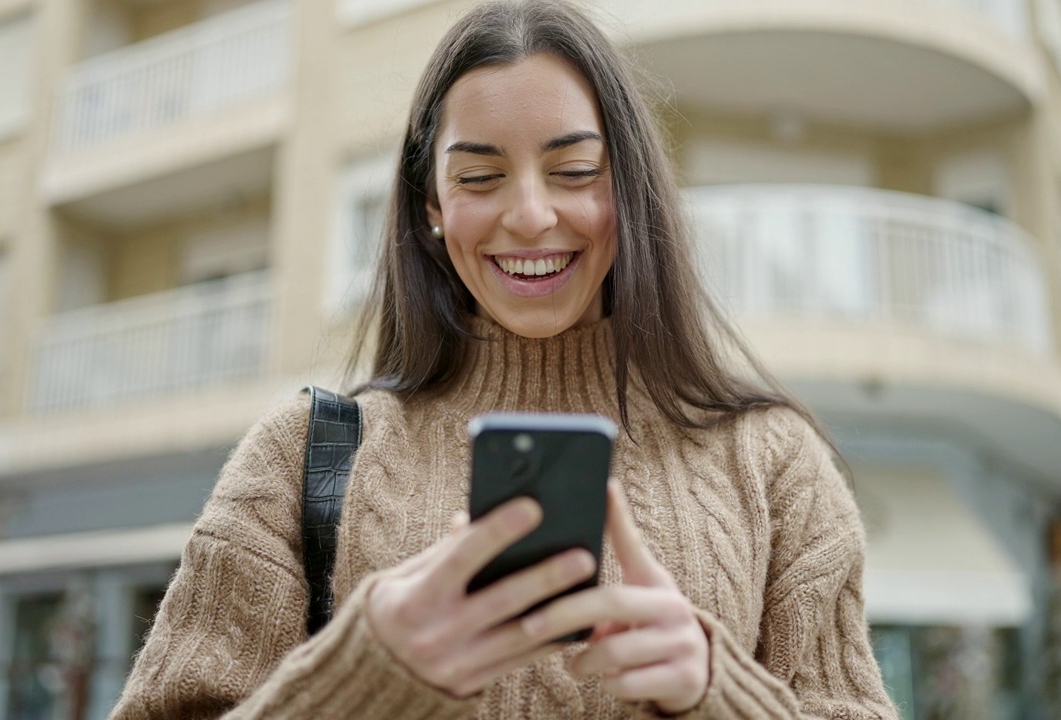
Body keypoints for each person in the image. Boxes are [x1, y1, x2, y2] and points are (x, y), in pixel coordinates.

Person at [109, 1, 898, 718]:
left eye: (576, 171)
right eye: (481, 177)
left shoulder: (775, 463)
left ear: (632, 192)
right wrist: (361, 672)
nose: (529, 215)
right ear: (433, 210)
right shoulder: (300, 454)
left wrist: (716, 690)